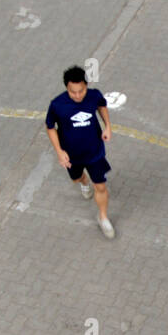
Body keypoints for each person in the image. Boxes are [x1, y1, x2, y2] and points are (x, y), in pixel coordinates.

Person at [46, 65, 116, 238]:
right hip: (72, 155)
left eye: (81, 91)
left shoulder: (94, 95)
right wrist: (59, 151)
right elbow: (50, 127)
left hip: (95, 152)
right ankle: (84, 183)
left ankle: (103, 217)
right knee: (76, 178)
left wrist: (107, 126)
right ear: (66, 88)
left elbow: (101, 106)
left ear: (86, 85)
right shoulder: (57, 105)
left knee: (100, 185)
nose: (78, 95)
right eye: (73, 92)